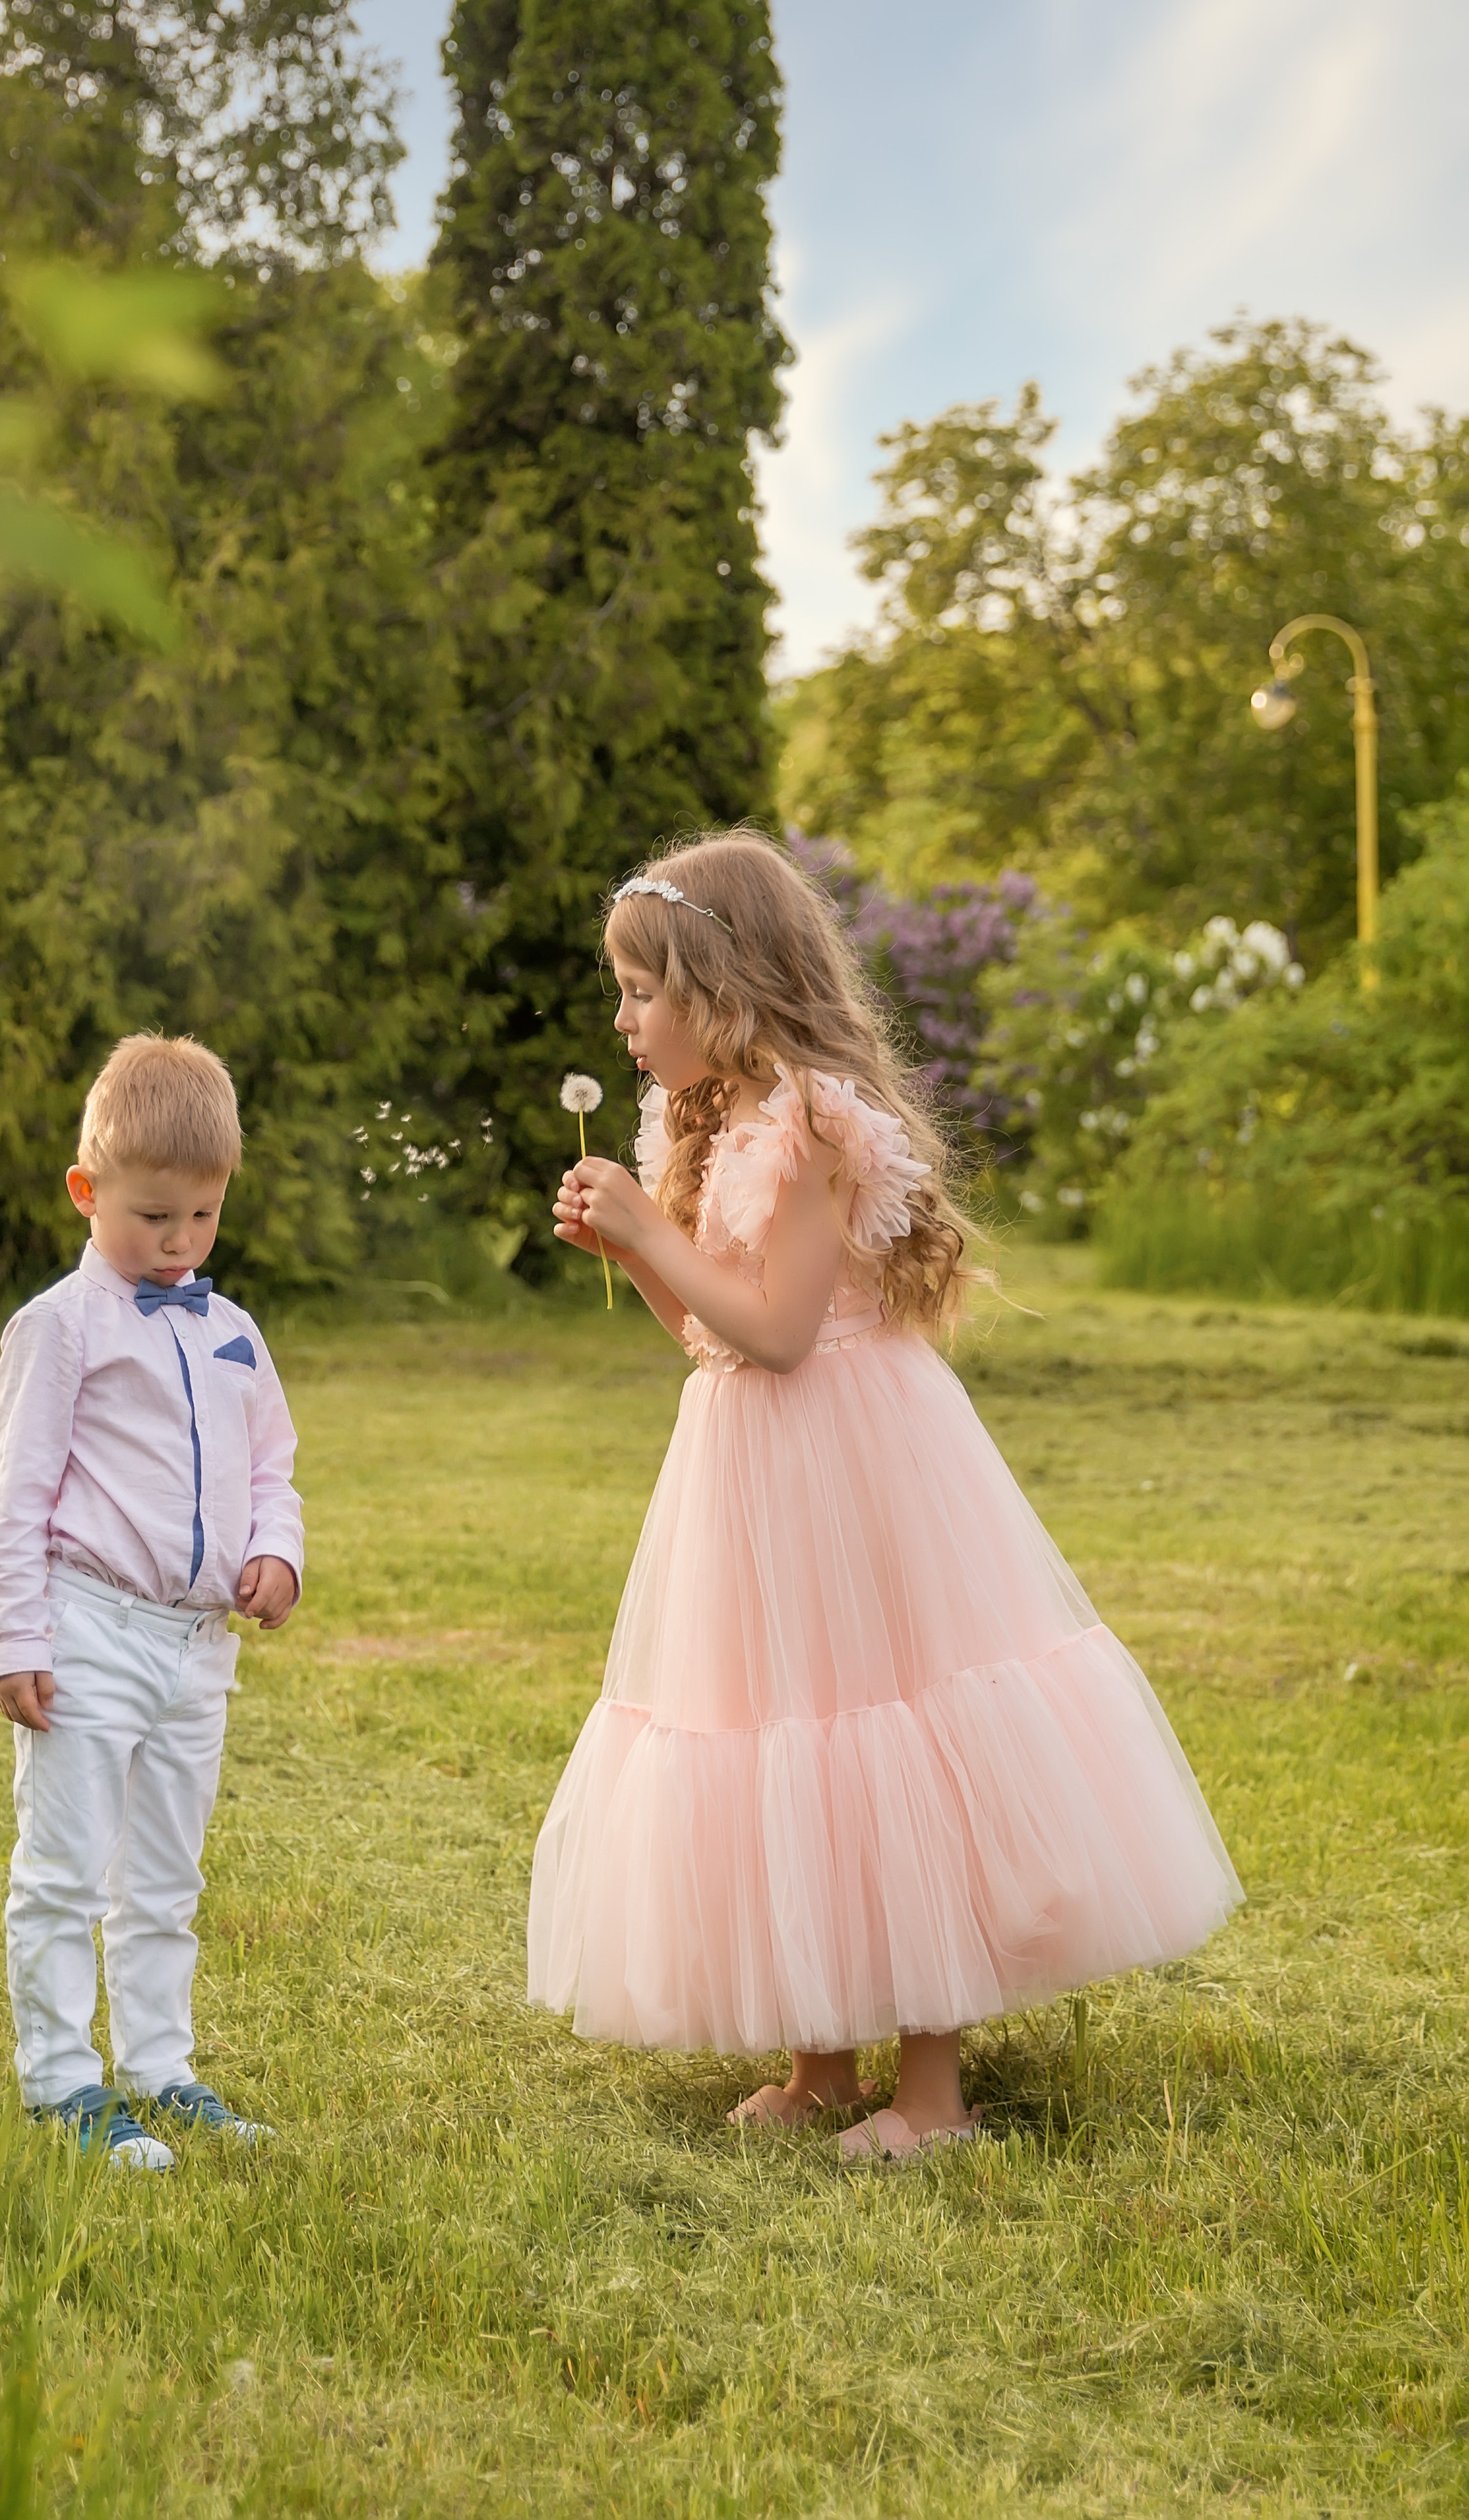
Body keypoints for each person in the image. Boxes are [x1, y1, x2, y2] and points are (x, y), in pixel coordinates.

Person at [532, 831, 1241, 2163]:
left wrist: (648, 1232)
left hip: (849, 1448)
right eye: (618, 994)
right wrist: (636, 1254)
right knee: (784, 1722)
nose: (622, 1020)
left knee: (889, 1725)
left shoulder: (806, 1122)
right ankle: (819, 2060)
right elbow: (709, 1336)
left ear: (720, 987)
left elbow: (788, 1332)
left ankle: (933, 2090)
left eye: (640, 991)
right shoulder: (705, 1122)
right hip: (747, 1459)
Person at [0, 1033, 302, 2172]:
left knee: (165, 1876)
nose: (179, 1242)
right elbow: (17, 1496)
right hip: (89, 1629)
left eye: (202, 1217)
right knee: (66, 1868)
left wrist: (278, 1553)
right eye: (154, 1216)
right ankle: (64, 2079)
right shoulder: (60, 1328)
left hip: (196, 1648)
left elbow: (273, 1470)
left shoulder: (232, 1332)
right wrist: (17, 1634)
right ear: (87, 1192)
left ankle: (163, 2066)